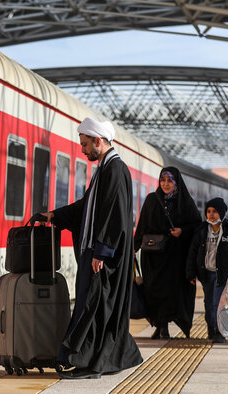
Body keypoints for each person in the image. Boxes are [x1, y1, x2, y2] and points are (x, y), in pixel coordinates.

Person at [41, 117, 142, 379]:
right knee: (93, 305)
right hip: (97, 253)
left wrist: (102, 252)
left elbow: (115, 215)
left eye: (85, 145)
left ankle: (92, 364)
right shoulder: (105, 170)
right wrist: (57, 216)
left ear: (98, 141)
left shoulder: (115, 170)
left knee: (94, 306)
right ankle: (96, 360)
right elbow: (87, 207)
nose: (83, 150)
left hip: (104, 257)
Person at [134, 167, 201, 339]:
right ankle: (160, 325)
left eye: (169, 181)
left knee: (172, 291)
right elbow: (142, 227)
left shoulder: (185, 202)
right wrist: (133, 248)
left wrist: (182, 231)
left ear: (176, 182)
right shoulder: (151, 200)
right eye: (162, 180)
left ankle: (166, 325)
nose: (165, 184)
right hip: (153, 255)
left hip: (175, 257)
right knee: (153, 290)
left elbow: (196, 226)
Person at [186, 197, 228, 344]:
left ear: (221, 212)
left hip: (223, 274)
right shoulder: (202, 230)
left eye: (214, 211)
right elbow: (193, 252)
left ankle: (219, 331)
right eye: (208, 211)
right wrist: (190, 272)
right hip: (207, 273)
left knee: (220, 303)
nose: (211, 214)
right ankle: (211, 327)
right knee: (209, 303)